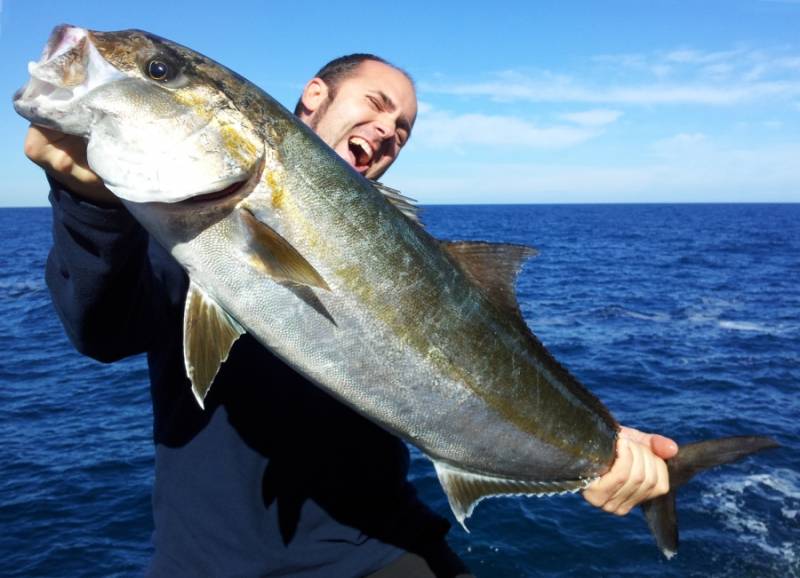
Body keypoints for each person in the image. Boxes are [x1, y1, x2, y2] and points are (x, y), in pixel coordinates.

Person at [24, 54, 678, 577]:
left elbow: (496, 366)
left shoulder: (414, 256)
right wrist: (87, 204)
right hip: (209, 561)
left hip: (380, 545)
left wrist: (608, 448)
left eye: (403, 131)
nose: (389, 132)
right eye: (378, 105)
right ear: (314, 97)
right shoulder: (179, 230)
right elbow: (102, 332)